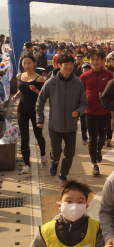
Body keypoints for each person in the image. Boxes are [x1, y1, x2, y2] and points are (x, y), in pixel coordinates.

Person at [36, 54, 88, 182]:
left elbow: (84, 103)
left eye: (71, 64)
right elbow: (40, 101)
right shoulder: (51, 83)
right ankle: (54, 162)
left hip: (71, 126)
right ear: (59, 65)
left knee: (70, 154)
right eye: (66, 64)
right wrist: (40, 119)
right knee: (56, 152)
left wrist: (79, 112)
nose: (69, 67)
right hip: (55, 125)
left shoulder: (78, 83)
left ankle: (63, 174)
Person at [80, 50, 113, 177]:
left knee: (102, 137)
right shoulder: (84, 76)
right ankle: (94, 163)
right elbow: (80, 92)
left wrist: (105, 96)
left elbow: (113, 92)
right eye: (92, 59)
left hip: (105, 111)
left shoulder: (109, 75)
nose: (94, 62)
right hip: (90, 111)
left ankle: (99, 150)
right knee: (92, 137)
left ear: (102, 61)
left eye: (97, 59)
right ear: (89, 61)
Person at [11, 54, 47, 174]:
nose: (26, 65)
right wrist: (16, 95)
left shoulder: (40, 79)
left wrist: (36, 90)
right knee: (24, 138)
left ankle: (43, 153)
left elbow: (44, 96)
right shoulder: (19, 76)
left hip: (35, 111)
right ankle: (27, 165)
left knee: (38, 135)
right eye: (24, 63)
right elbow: (21, 89)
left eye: (29, 63)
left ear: (34, 63)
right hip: (22, 110)